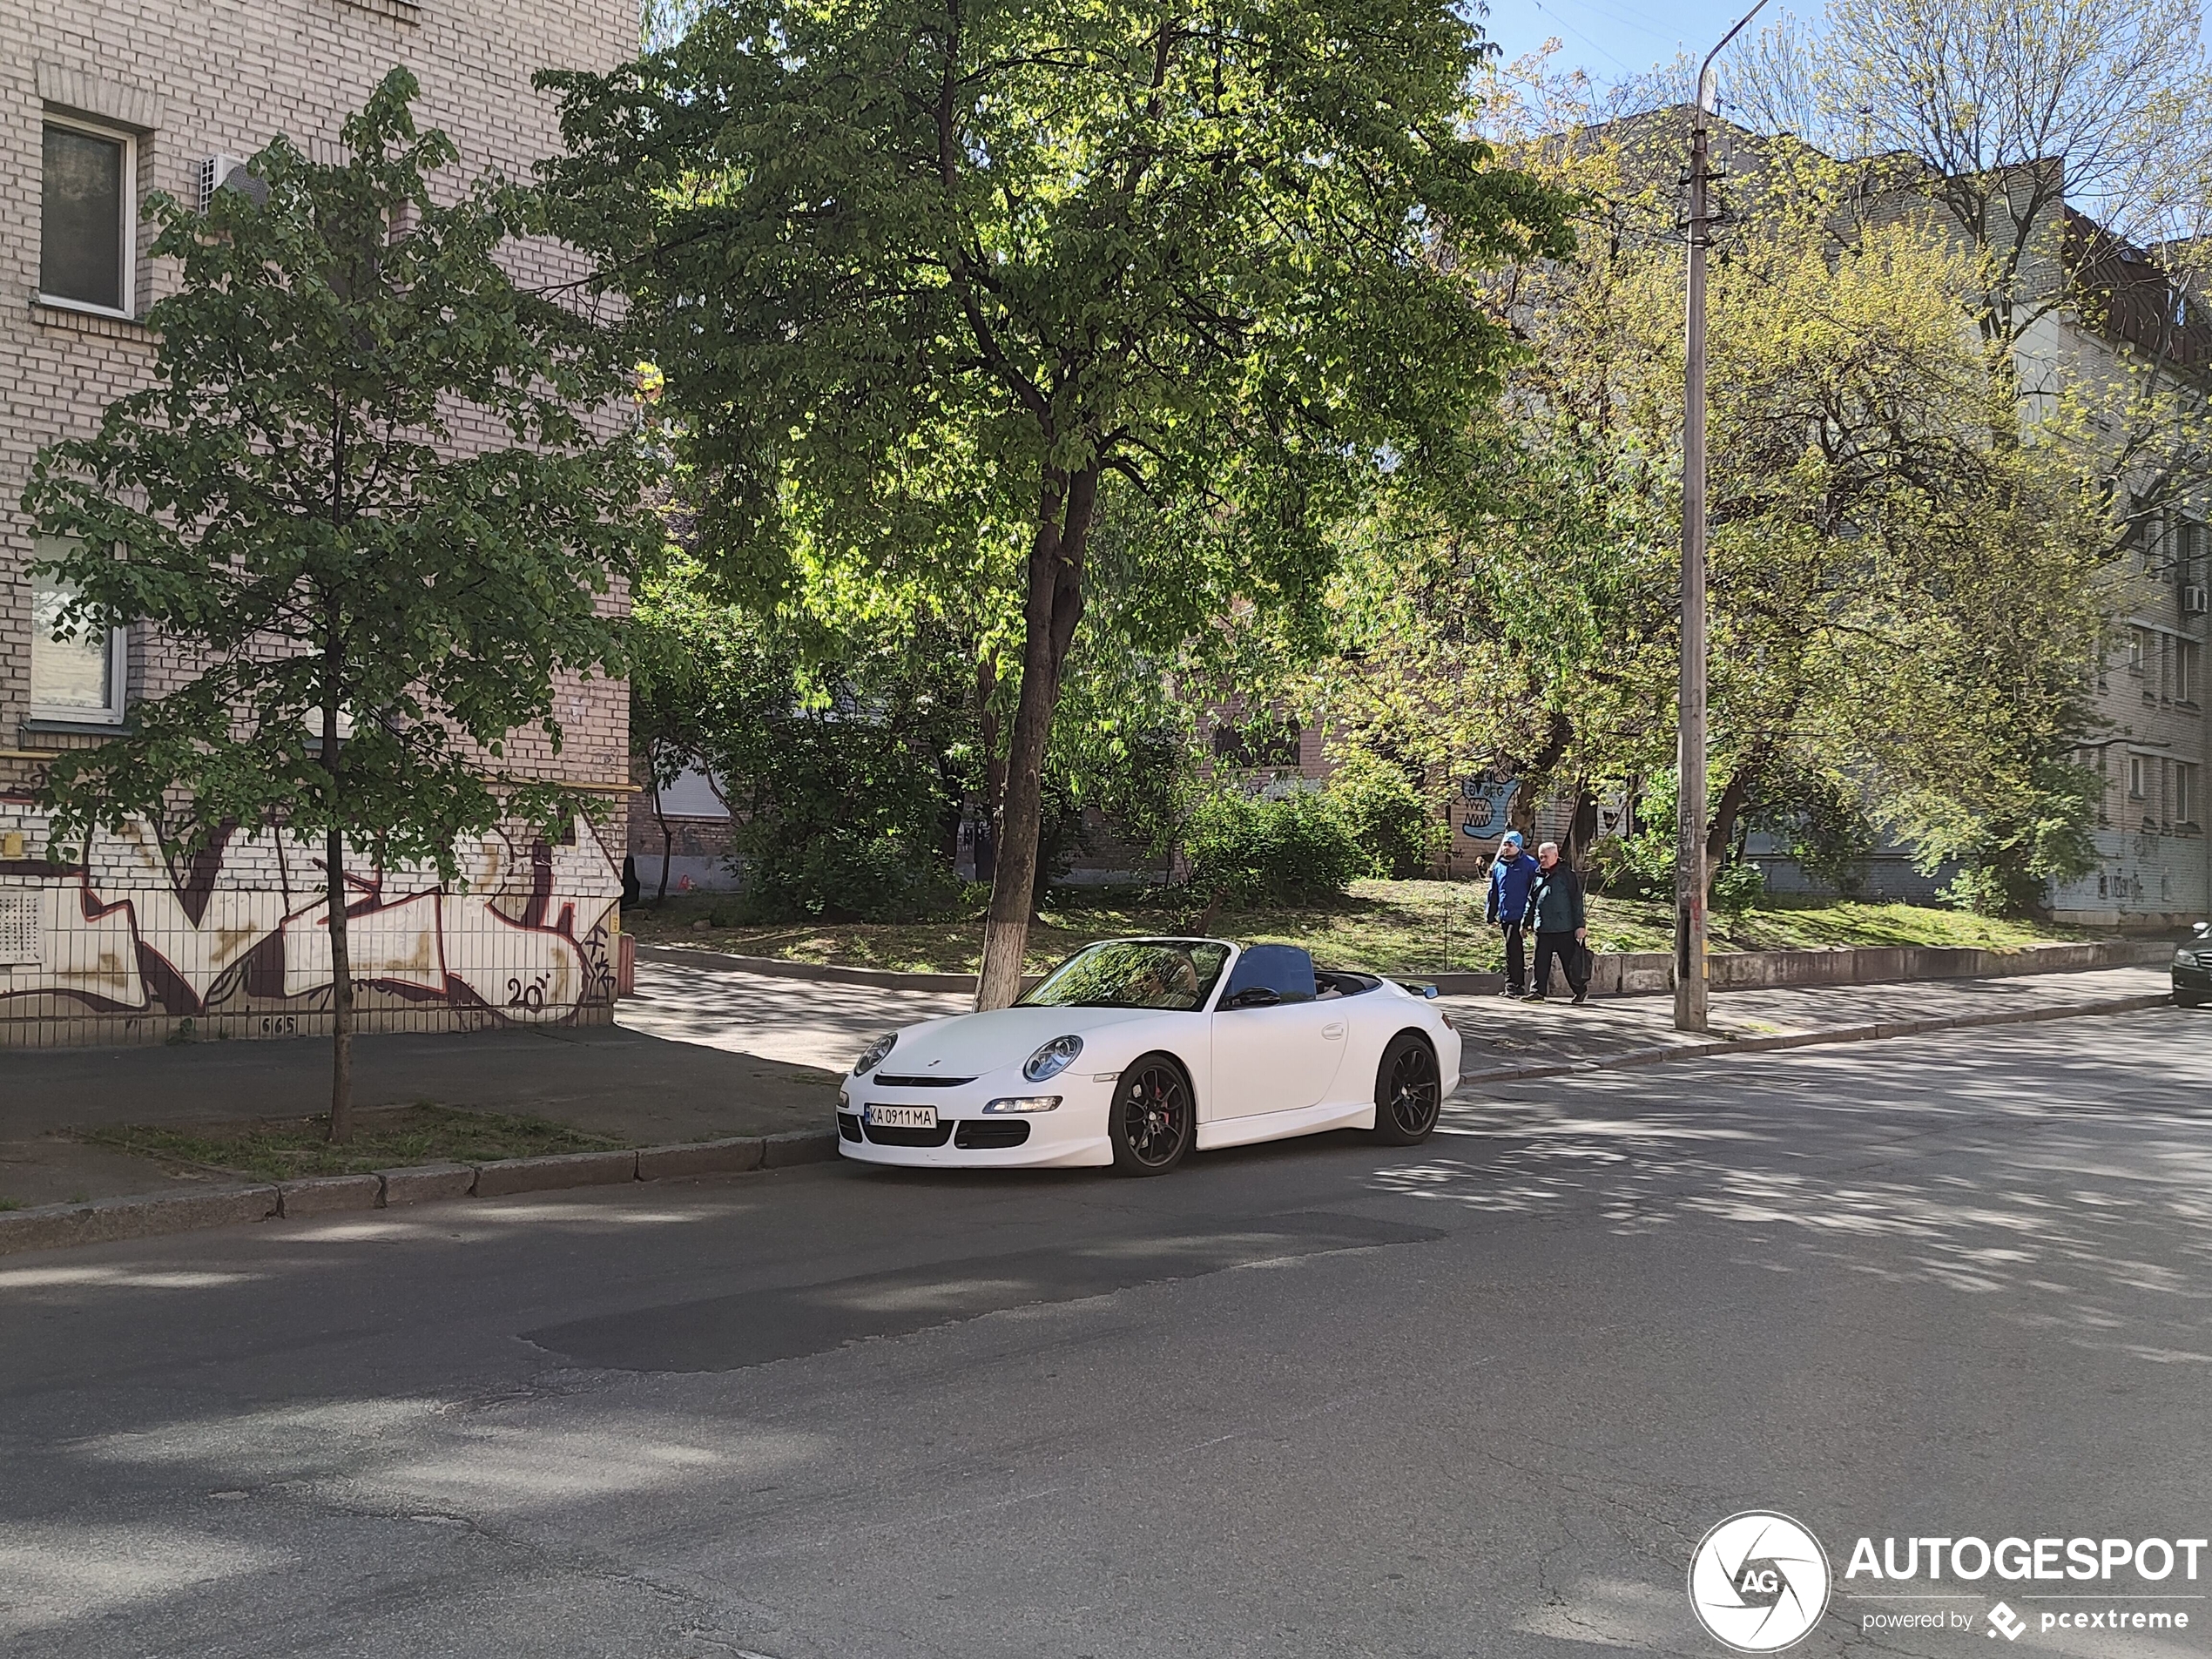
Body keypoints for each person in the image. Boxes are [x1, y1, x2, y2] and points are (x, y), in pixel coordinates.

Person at [1521, 840, 1589, 1005]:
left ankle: (1580, 991)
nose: (1542, 860)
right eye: (1540, 857)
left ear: (1555, 856)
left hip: (1564, 928)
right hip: (1542, 927)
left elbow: (1576, 901)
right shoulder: (1538, 875)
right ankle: (1537, 992)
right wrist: (1525, 922)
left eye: (1545, 857)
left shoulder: (1567, 875)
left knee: (1569, 963)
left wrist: (1580, 925)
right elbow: (1531, 900)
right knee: (1540, 962)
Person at [1483, 831, 1542, 997]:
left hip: (1520, 914)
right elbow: (1493, 891)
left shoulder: (1529, 864)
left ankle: (1513, 985)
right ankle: (1516, 985)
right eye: (1504, 844)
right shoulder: (1499, 865)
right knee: (1511, 949)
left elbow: (1536, 891)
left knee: (1513, 948)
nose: (1506, 848)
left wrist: (1530, 917)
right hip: (1505, 914)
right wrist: (1491, 914)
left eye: (1510, 845)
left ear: (1518, 846)